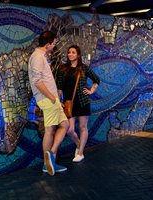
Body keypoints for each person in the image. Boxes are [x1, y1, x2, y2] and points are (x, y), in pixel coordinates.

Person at [28, 31, 69, 175]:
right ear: (48, 44)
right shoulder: (38, 57)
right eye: (54, 43)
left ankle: (50, 157)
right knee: (50, 130)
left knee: (65, 125)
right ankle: (48, 161)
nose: (55, 45)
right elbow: (37, 82)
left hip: (52, 99)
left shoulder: (41, 56)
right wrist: (52, 97)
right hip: (47, 99)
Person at [57, 44, 100, 162]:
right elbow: (59, 87)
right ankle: (79, 144)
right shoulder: (63, 69)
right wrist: (59, 101)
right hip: (68, 103)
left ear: (78, 55)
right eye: (69, 52)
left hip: (82, 101)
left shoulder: (83, 68)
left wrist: (91, 90)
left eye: (73, 52)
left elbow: (97, 79)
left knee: (82, 127)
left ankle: (80, 153)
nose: (70, 54)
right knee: (69, 129)